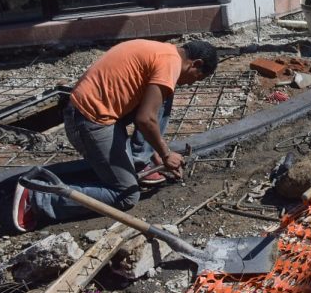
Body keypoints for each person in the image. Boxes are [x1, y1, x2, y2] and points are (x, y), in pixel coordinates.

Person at [12, 39, 218, 232]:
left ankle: (140, 161)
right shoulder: (169, 64)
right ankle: (38, 198)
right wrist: (165, 154)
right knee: (125, 195)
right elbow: (145, 119)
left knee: (164, 96)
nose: (190, 84)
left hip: (95, 111)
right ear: (195, 64)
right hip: (87, 121)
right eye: (196, 78)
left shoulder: (164, 51)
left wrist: (153, 149)